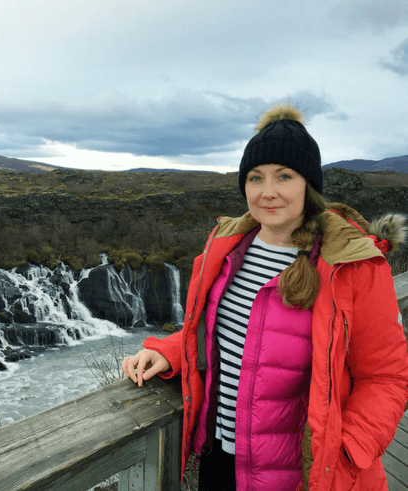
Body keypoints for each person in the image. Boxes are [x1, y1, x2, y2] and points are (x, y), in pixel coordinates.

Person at [122, 103, 408, 491]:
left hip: (304, 474)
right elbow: (224, 330)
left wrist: (347, 449)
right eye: (256, 178)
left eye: (284, 176)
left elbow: (386, 377)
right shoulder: (227, 248)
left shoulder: (352, 267)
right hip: (221, 461)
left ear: (308, 184)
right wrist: (171, 350)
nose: (268, 192)